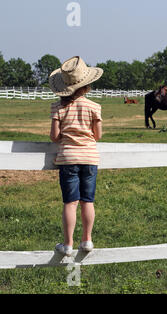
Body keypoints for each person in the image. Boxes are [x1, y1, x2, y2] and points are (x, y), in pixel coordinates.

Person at [48, 56, 103, 256]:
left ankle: (68, 244)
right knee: (87, 201)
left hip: (68, 159)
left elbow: (54, 137)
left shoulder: (58, 107)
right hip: (89, 159)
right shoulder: (94, 107)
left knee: (70, 203)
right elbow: (98, 136)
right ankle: (87, 240)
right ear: (86, 84)